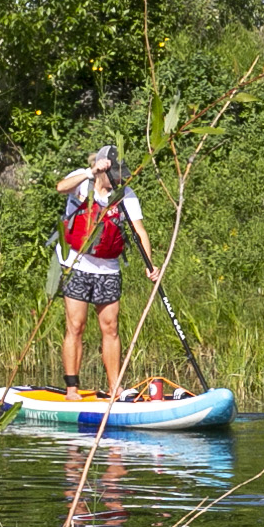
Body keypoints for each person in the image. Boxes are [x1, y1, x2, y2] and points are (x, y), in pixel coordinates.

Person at [53, 146, 162, 398]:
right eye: (114, 173)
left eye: (121, 174)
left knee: (111, 327)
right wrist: (91, 172)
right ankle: (72, 389)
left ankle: (115, 388)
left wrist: (150, 265)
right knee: (76, 326)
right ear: (103, 169)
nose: (118, 179)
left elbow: (139, 231)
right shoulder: (84, 181)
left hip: (108, 268)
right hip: (76, 264)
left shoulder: (125, 194)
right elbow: (61, 187)